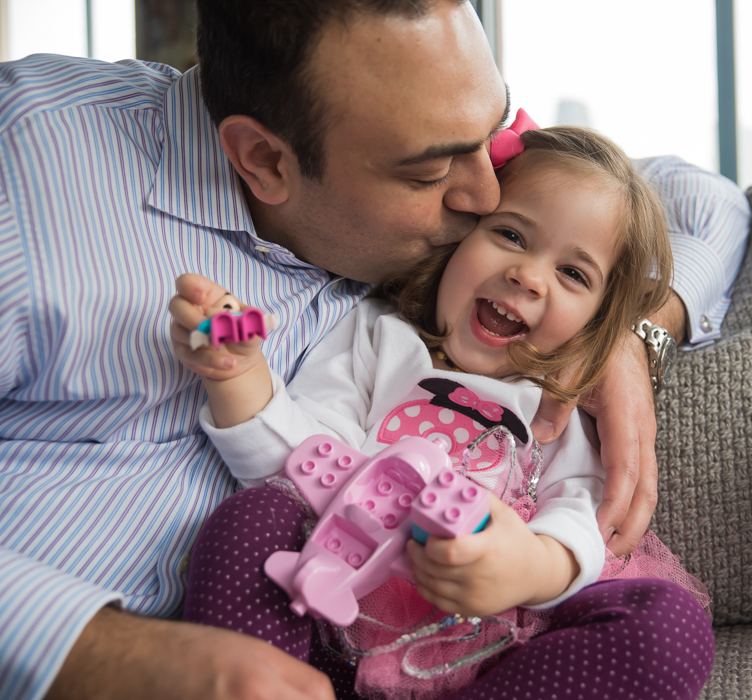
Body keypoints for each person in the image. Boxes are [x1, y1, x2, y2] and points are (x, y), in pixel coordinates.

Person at [0, 1, 749, 698]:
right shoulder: (28, 171)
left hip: (488, 613)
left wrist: (623, 327)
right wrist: (109, 654)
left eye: (490, 137)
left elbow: (703, 201)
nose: (488, 195)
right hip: (287, 609)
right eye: (428, 171)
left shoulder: (433, 147)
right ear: (263, 159)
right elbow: (288, 448)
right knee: (252, 518)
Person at [171, 124, 713, 700]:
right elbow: (300, 465)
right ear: (457, 237)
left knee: (669, 626)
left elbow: (580, 518)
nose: (527, 276)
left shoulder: (560, 405)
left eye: (573, 274)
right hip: (336, 612)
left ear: (600, 321)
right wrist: (240, 375)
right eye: (509, 234)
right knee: (250, 517)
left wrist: (527, 564)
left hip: (496, 648)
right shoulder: (378, 337)